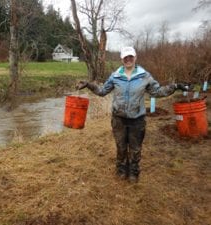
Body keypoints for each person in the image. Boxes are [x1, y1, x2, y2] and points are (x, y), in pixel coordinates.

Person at [76, 46, 190, 183]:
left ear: (135, 57)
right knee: (121, 146)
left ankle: (134, 171)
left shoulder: (144, 76)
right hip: (119, 119)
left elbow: (158, 91)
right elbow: (102, 91)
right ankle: (121, 168)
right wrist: (89, 84)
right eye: (125, 57)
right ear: (122, 59)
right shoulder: (115, 76)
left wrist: (175, 86)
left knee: (135, 148)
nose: (128, 59)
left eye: (131, 56)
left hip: (137, 120)